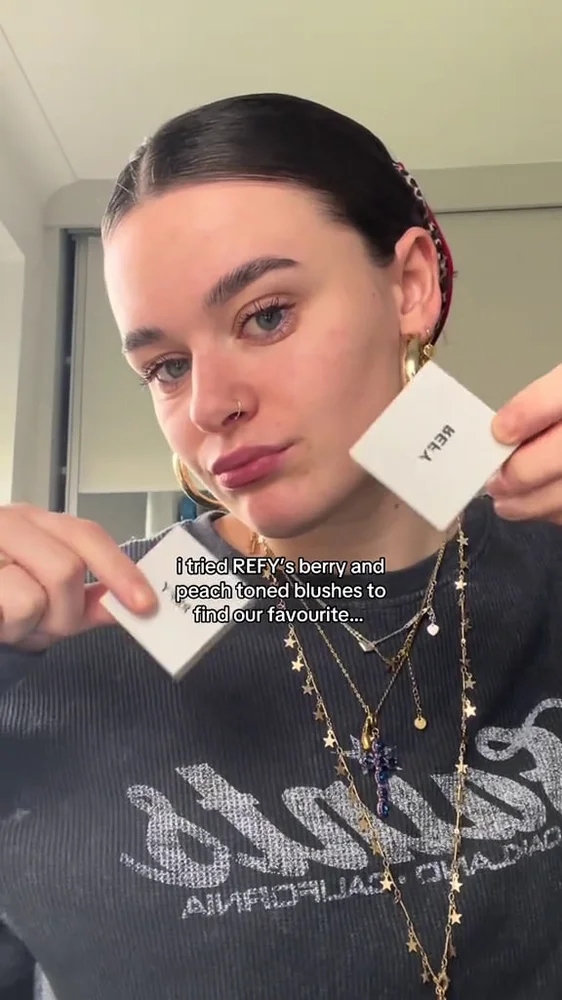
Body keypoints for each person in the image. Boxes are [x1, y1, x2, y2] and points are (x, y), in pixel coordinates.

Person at [0, 93, 561, 1000]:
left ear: (410, 286)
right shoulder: (62, 647)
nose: (209, 404)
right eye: (165, 367)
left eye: (265, 316)